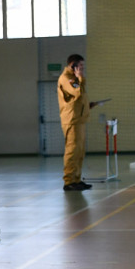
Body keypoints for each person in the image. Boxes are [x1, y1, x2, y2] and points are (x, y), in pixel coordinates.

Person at [57, 54, 101, 191]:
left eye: (83, 66)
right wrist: (80, 77)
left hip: (79, 120)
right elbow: (78, 93)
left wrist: (88, 105)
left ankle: (76, 179)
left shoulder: (75, 79)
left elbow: (79, 98)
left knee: (80, 152)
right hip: (71, 121)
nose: (82, 69)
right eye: (80, 66)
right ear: (73, 65)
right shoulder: (66, 78)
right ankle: (68, 181)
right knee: (72, 151)